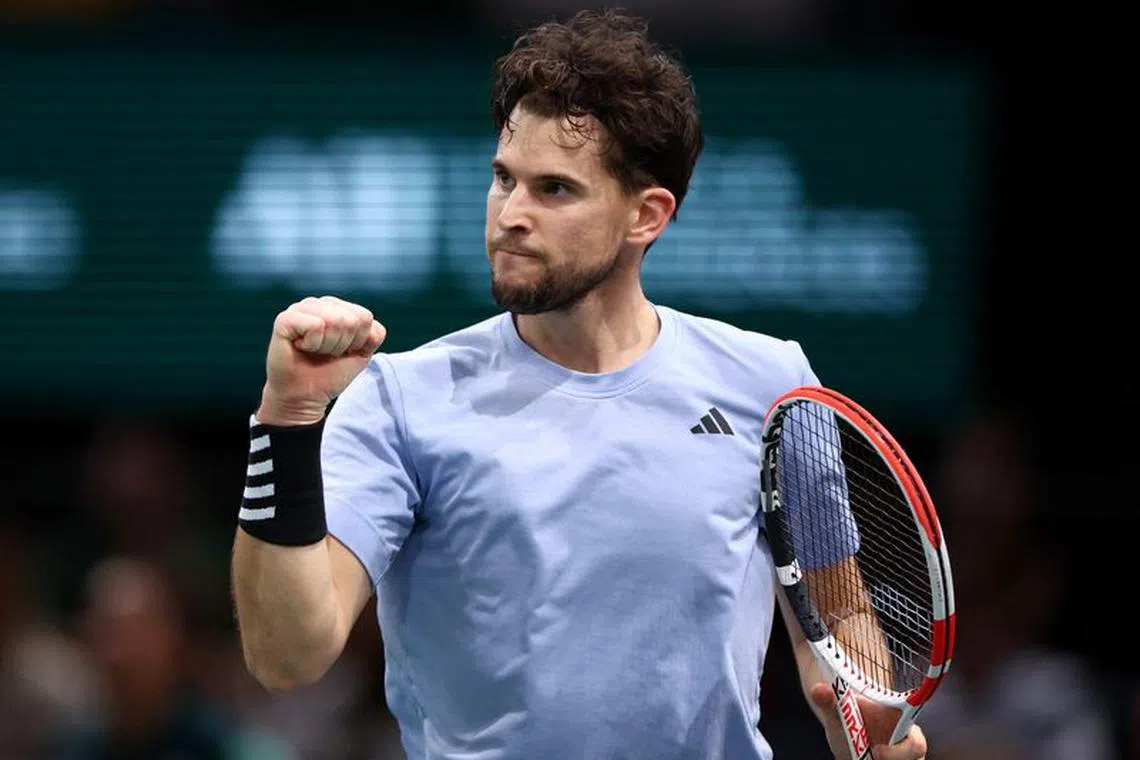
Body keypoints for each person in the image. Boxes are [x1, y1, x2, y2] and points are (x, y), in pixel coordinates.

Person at [229, 9, 930, 759]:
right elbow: (285, 656)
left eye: (555, 190)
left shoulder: (772, 384)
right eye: (504, 179)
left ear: (647, 215)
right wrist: (288, 417)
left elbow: (838, 609)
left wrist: (866, 715)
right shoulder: (403, 398)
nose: (512, 216)